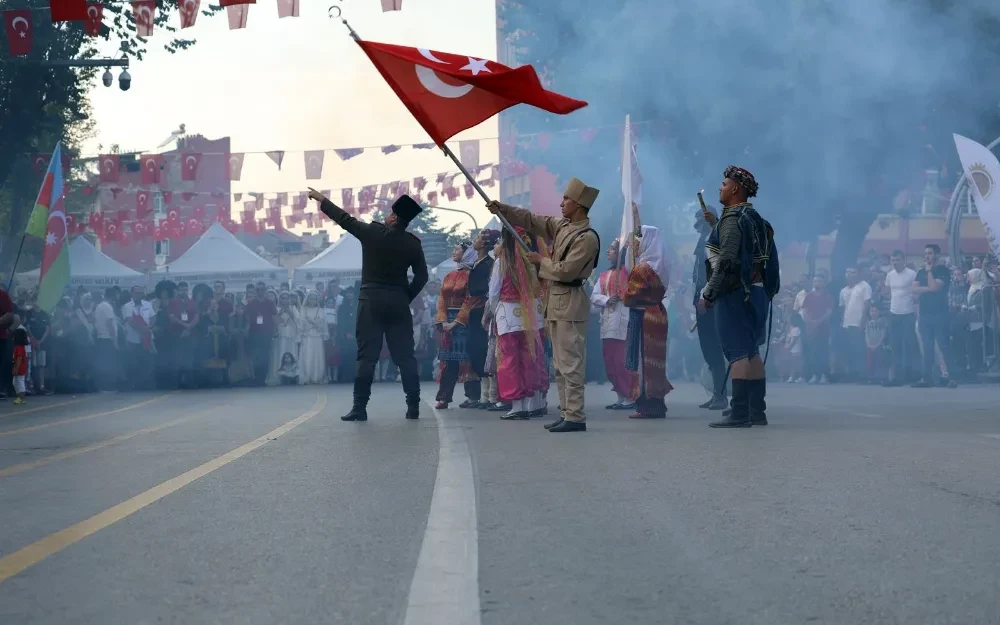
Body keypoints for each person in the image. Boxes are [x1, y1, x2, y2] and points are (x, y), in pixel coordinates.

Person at [488, 176, 601, 433]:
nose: (561, 203)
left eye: (566, 199)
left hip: (570, 301)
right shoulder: (562, 226)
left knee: (570, 363)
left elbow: (567, 271)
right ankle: (567, 413)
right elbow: (530, 219)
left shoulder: (586, 237)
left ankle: (575, 415)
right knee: (560, 365)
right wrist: (503, 209)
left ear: (580, 205)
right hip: (556, 302)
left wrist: (541, 261)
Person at [310, 188, 428, 421]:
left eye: (389, 213)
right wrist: (405, 297)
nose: (386, 215)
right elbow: (422, 277)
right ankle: (413, 406)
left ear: (394, 218)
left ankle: (359, 408)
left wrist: (323, 200)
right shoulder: (413, 244)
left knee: (367, 357)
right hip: (398, 303)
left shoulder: (373, 232)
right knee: (405, 357)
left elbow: (345, 220)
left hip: (371, 302)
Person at [699, 165, 773, 428]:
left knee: (738, 353)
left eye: (724, 183)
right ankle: (757, 411)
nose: (720, 187)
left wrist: (709, 292)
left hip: (735, 294)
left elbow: (727, 260)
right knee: (752, 352)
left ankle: (740, 412)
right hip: (757, 293)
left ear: (735, 189)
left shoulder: (732, 219)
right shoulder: (755, 218)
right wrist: (714, 224)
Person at [488, 226, 549, 420]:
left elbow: (494, 292)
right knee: (533, 357)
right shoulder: (536, 260)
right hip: (534, 314)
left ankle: (518, 405)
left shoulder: (503, 261)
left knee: (510, 360)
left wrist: (492, 312)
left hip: (509, 315)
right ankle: (536, 402)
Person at [623, 225, 674, 418]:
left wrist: (625, 294)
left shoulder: (642, 268)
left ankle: (647, 405)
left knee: (643, 360)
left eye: (638, 239)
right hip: (658, 313)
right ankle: (657, 403)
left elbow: (630, 296)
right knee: (656, 359)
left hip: (643, 316)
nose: (635, 243)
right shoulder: (661, 266)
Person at [590, 241, 635, 410]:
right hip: (607, 322)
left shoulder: (628, 272)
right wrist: (607, 299)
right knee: (610, 362)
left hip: (622, 321)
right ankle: (620, 396)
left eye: (612, 249)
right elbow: (594, 297)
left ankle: (630, 396)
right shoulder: (603, 275)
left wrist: (627, 244)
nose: (608, 251)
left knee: (621, 360)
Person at [434, 242, 479, 409]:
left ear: (467, 253)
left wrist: (457, 322)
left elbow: (470, 300)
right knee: (448, 361)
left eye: (457, 249)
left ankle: (473, 396)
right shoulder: (449, 275)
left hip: (466, 321)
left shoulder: (472, 275)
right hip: (448, 321)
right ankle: (444, 397)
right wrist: (443, 320)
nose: (453, 251)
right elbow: (442, 298)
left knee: (468, 359)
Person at [693, 207, 728, 410]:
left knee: (714, 350)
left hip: (710, 301)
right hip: (701, 301)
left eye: (700, 219)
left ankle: (721, 395)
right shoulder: (703, 239)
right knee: (708, 350)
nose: (696, 223)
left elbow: (712, 271)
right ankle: (716, 393)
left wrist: (705, 295)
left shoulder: (714, 238)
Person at [912, 243, 958, 388]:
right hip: (925, 313)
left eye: (930, 253)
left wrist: (929, 272)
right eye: (925, 253)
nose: (927, 256)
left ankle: (952, 377)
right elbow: (914, 289)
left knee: (944, 345)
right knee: (927, 347)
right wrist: (927, 288)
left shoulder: (942, 270)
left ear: (937, 255)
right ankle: (927, 378)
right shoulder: (920, 271)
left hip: (940, 314)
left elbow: (935, 287)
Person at [462, 230, 498, 406]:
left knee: (484, 349)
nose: (473, 242)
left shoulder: (489, 264)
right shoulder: (474, 263)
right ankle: (483, 393)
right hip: (473, 310)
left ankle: (491, 395)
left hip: (483, 308)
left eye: (476, 239)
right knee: (473, 349)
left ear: (484, 244)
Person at [884, 250, 918, 385]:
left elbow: (916, 292)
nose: (895, 263)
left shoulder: (911, 274)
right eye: (893, 260)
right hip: (894, 313)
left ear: (903, 260)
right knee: (895, 346)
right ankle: (897, 377)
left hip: (908, 313)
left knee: (910, 345)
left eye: (897, 260)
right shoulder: (890, 275)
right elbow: (888, 292)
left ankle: (913, 375)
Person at [122, 285, 155, 391]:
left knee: (146, 362)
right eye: (136, 293)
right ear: (132, 294)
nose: (139, 295)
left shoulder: (148, 304)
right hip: (133, 340)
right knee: (133, 363)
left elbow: (153, 317)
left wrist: (149, 327)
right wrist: (141, 330)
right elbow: (130, 321)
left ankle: (144, 385)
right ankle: (133, 385)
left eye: (140, 293)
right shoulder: (127, 306)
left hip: (146, 339)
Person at [244, 283, 277, 387]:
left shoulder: (270, 303)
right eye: (258, 290)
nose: (260, 292)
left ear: (265, 290)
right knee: (255, 356)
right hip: (254, 333)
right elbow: (247, 319)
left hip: (266, 333)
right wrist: (246, 331)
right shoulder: (251, 303)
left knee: (265, 356)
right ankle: (257, 378)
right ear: (255, 291)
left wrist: (275, 331)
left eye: (262, 289)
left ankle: (263, 378)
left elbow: (275, 318)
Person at [298, 291, 329, 385]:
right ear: (308, 299)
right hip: (307, 336)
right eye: (311, 298)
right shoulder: (304, 310)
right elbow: (302, 323)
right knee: (307, 355)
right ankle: (307, 376)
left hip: (317, 336)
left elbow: (323, 323)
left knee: (317, 355)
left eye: (315, 299)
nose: (313, 300)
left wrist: (315, 324)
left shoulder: (320, 310)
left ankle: (317, 376)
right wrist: (312, 324)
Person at [11, 326, 29, 405]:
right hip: (19, 368)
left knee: (19, 382)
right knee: (15, 382)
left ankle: (21, 398)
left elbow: (19, 358)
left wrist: (16, 368)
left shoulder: (19, 348)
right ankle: (19, 396)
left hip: (20, 368)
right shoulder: (18, 347)